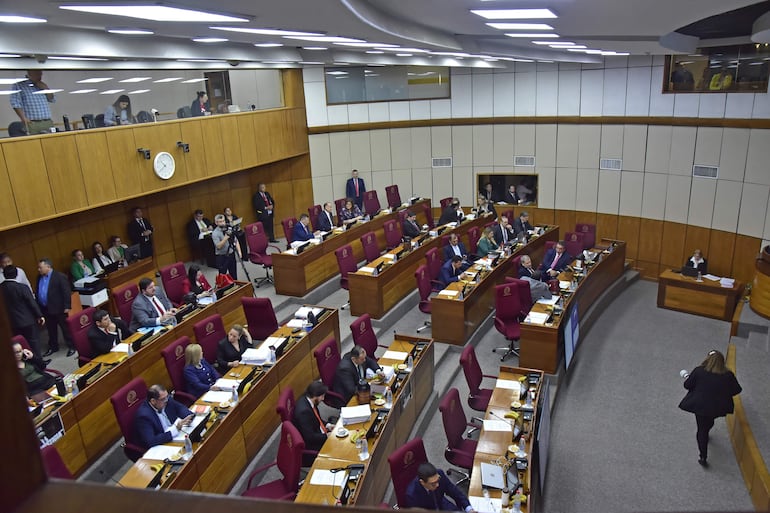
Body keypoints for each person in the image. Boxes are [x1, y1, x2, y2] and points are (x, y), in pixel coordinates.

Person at [679, 350, 742, 467]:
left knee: (701, 430)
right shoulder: (728, 375)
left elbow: (687, 385)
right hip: (717, 408)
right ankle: (706, 432)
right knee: (709, 422)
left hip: (700, 406)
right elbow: (737, 390)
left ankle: (703, 456)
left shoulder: (699, 371)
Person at [3, 266, 46, 361]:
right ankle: (38, 362)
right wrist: (39, 315)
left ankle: (25, 362)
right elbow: (32, 303)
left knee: (18, 344)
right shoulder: (22, 287)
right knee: (33, 342)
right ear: (16, 274)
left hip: (11, 322)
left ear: (4, 275)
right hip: (27, 321)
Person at [37, 258, 76, 357]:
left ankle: (72, 346)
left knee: (65, 328)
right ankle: (54, 346)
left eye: (40, 267)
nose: (38, 269)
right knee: (51, 329)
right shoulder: (39, 277)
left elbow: (66, 291)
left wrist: (67, 306)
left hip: (59, 308)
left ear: (48, 267)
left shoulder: (59, 276)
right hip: (46, 308)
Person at [134, 384, 194, 449]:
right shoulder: (144, 416)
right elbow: (151, 441)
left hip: (176, 435)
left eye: (167, 396)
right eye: (163, 399)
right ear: (153, 401)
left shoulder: (165, 399)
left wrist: (188, 417)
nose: (166, 400)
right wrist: (175, 430)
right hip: (163, 443)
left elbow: (180, 408)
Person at [405, 462, 476, 512]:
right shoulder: (412, 495)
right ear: (422, 482)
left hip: (441, 503)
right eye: (433, 484)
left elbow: (455, 492)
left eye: (437, 480)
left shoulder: (439, 474)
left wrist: (469, 509)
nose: (437, 485)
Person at [292, 381, 335, 465]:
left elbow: (316, 418)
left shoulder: (309, 400)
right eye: (322, 396)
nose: (323, 399)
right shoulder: (303, 412)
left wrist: (328, 425)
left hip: (319, 432)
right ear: (315, 395)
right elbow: (310, 437)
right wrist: (326, 436)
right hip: (313, 446)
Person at [10, 69, 55, 134]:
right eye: (37, 74)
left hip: (47, 121)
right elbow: (15, 102)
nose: (40, 76)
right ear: (30, 74)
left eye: (41, 74)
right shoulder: (19, 85)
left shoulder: (41, 85)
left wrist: (46, 89)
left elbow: (52, 99)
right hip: (32, 123)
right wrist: (23, 118)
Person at [212, 214, 240, 280]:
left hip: (231, 254)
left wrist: (239, 251)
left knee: (234, 274)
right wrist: (225, 238)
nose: (223, 223)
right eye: (220, 221)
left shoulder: (228, 228)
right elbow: (218, 246)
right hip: (222, 257)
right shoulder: (215, 233)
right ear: (216, 223)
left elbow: (235, 240)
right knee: (222, 276)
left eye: (223, 221)